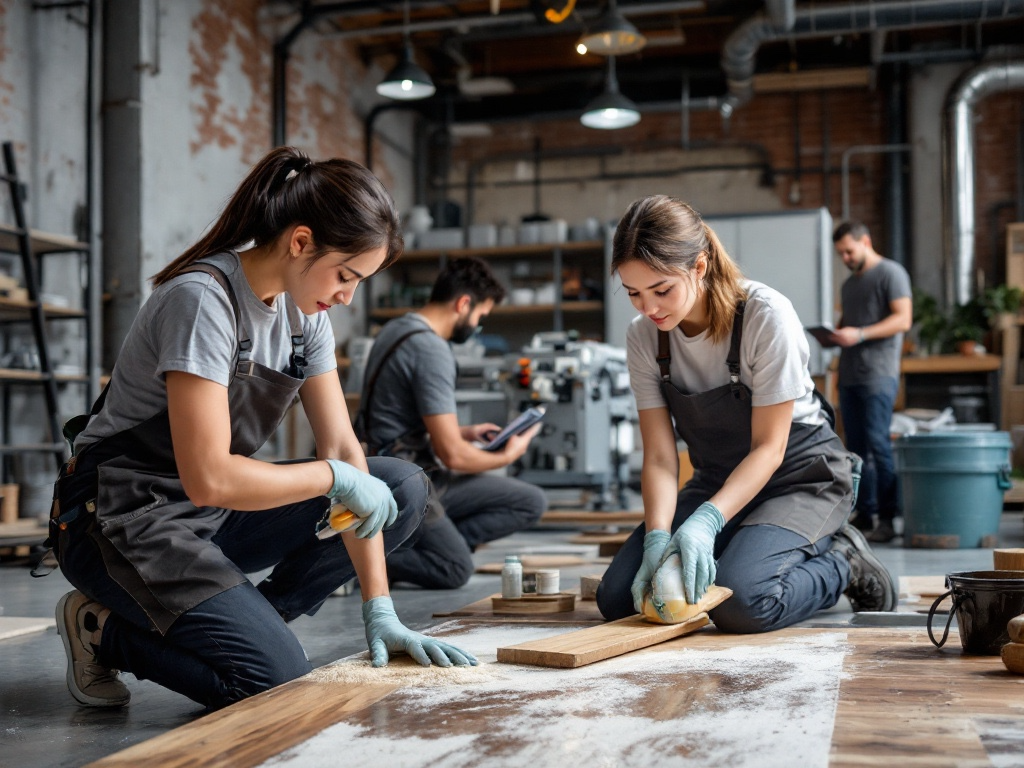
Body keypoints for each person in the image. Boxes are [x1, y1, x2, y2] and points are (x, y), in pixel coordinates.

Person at [50, 146, 476, 711]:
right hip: (121, 518)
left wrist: (381, 607)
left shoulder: (307, 316)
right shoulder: (202, 300)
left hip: (207, 515)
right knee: (270, 683)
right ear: (300, 242)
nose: (347, 296)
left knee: (400, 485)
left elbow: (344, 448)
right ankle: (101, 629)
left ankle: (254, 622)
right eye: (346, 275)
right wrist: (333, 477)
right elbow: (209, 477)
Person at [596, 196, 897, 633]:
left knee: (744, 602)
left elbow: (769, 448)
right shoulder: (644, 338)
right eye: (634, 294)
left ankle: (844, 563)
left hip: (801, 477)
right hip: (719, 478)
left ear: (699, 267)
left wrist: (707, 522)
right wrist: (659, 537)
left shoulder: (764, 316)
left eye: (662, 290)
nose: (649, 308)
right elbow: (661, 458)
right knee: (621, 598)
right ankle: (744, 542)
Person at [358, 257, 546, 589]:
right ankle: (353, 556)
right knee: (454, 568)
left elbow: (395, 419)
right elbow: (454, 456)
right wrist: (508, 455)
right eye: (480, 317)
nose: (478, 326)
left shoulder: (397, 328)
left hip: (393, 462)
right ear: (463, 304)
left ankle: (432, 539)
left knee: (529, 501)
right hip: (407, 480)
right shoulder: (430, 349)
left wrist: (465, 432)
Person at [830, 221, 913, 544]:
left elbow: (903, 319)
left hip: (878, 375)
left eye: (849, 251)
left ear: (866, 241)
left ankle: (889, 519)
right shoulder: (849, 286)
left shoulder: (892, 274)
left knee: (879, 445)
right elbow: (849, 324)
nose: (846, 258)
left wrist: (860, 334)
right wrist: (835, 333)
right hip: (849, 375)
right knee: (856, 448)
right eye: (841, 254)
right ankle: (865, 515)